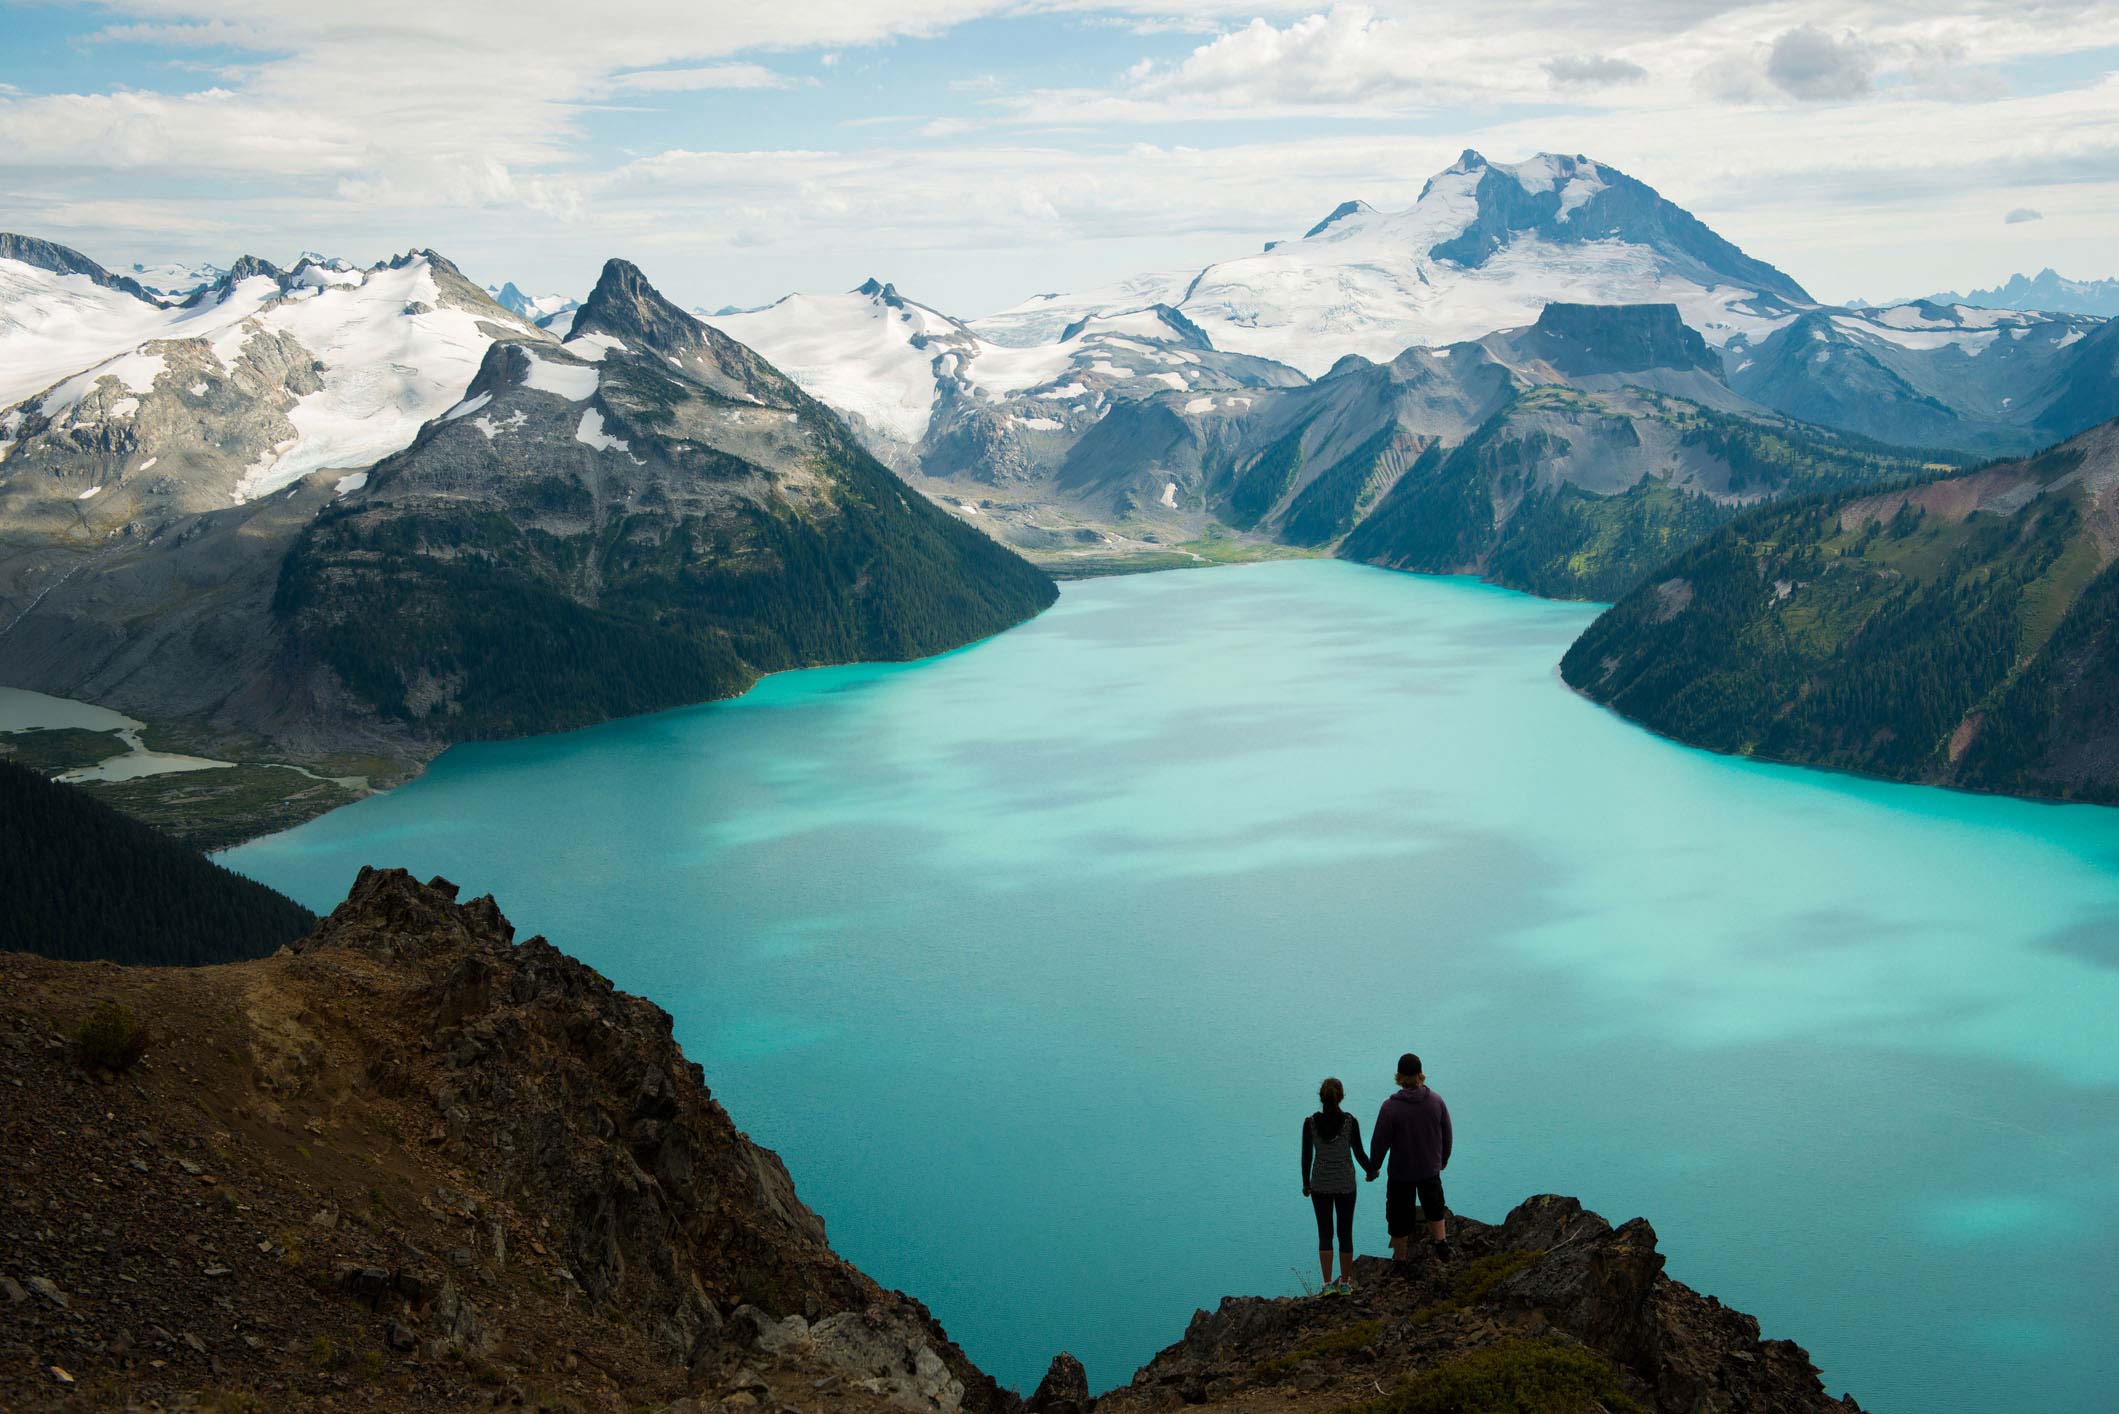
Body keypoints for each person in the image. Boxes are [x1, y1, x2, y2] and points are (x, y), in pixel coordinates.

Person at [1365, 1051, 1452, 1271]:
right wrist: (1443, 1158)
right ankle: (1441, 1242)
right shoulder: (1435, 1101)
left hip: (1401, 1172)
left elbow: (1379, 1142)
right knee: (1434, 1204)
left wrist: (1373, 1167)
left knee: (1398, 1215)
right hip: (1429, 1167)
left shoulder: (1390, 1107)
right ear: (1421, 1074)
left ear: (1399, 1076)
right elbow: (1447, 1132)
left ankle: (1401, 1259)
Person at [1300, 1077, 1372, 1293]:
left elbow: (1306, 1157)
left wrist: (1306, 1183)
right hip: (1345, 1184)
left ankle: (1327, 1283)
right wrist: (1371, 1170)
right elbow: (1358, 1153)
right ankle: (1346, 1284)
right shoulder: (1350, 1122)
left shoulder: (1310, 1123)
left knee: (1325, 1233)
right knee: (1345, 1233)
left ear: (1321, 1097)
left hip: (1320, 1184)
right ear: (1341, 1097)